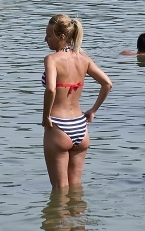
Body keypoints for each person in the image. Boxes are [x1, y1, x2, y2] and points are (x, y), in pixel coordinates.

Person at [42, 14, 112, 189]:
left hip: (58, 126)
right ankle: (79, 216)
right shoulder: (84, 58)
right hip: (80, 126)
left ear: (62, 37)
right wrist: (93, 110)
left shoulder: (52, 59)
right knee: (75, 188)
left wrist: (45, 117)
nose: (45, 39)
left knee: (59, 190)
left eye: (49, 35)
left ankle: (59, 217)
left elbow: (51, 89)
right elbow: (107, 84)